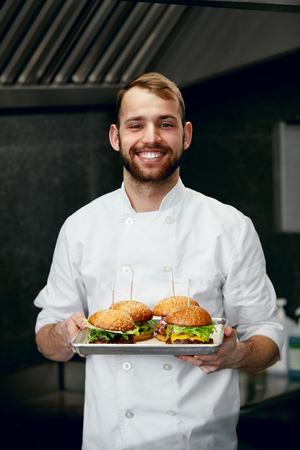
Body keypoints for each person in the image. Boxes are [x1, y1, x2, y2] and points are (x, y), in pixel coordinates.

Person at [34, 72, 284, 450]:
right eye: (136, 125)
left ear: (185, 135)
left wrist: (237, 354)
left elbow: (268, 335)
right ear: (116, 137)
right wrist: (64, 335)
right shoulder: (80, 227)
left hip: (202, 443)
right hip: (109, 441)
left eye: (165, 124)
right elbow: (46, 339)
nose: (150, 138)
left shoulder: (229, 226)